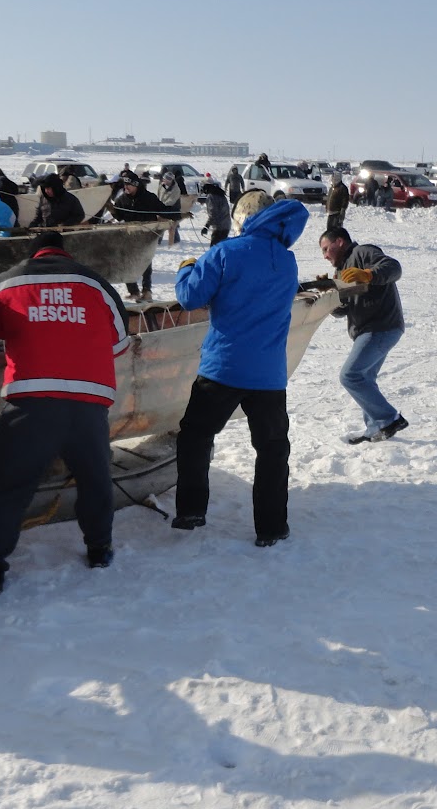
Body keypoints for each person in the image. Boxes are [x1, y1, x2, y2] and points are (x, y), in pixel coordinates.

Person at [0, 230, 133, 593]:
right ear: (64, 254)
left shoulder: (5, 285)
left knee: (9, 485)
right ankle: (99, 548)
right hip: (90, 401)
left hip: (31, 401)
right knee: (95, 477)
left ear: (32, 255)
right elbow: (119, 345)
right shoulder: (98, 286)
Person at [171, 191, 306, 547]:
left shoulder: (225, 252)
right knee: (272, 450)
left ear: (240, 218)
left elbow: (190, 298)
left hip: (223, 369)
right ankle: (272, 527)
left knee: (195, 438)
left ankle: (191, 510)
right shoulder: (287, 261)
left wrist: (187, 268)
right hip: (268, 376)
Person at [319, 226, 408, 444]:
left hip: (381, 326)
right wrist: (328, 294)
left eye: (325, 248)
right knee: (365, 378)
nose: (325, 256)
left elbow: (393, 268)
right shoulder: (341, 272)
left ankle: (388, 418)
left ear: (339, 241)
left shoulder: (363, 253)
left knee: (351, 376)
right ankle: (375, 429)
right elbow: (342, 310)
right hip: (369, 330)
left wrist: (369, 274)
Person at [109, 174, 175, 298]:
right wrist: (112, 210)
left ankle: (147, 290)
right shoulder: (122, 199)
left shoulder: (149, 198)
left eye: (128, 185)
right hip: (129, 236)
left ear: (135, 185)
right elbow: (119, 216)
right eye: (125, 184)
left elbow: (162, 210)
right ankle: (133, 291)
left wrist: (178, 213)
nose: (126, 187)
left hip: (146, 236)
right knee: (126, 263)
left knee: (145, 263)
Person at [156, 169, 185, 246]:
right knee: (160, 226)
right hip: (162, 210)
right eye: (164, 178)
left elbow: (171, 201)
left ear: (170, 180)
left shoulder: (176, 189)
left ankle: (175, 243)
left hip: (172, 211)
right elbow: (158, 196)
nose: (164, 180)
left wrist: (161, 206)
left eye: (166, 179)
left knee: (172, 228)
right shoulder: (161, 186)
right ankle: (158, 241)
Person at [199, 180, 231, 245]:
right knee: (222, 247)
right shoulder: (221, 195)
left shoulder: (211, 197)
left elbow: (213, 214)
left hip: (219, 227)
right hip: (227, 225)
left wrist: (206, 226)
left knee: (214, 248)